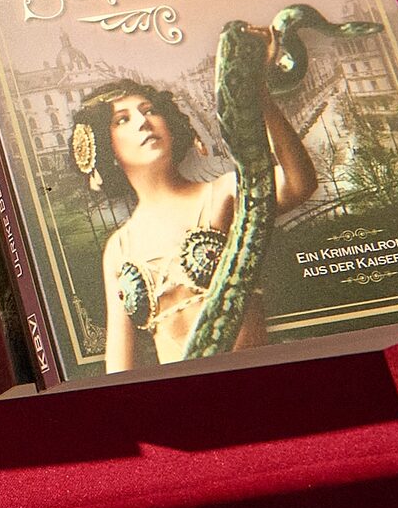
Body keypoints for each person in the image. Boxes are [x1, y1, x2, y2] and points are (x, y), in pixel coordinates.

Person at [69, 49, 316, 371]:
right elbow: (119, 365)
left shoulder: (222, 193)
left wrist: (260, 96)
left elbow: (299, 184)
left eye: (150, 110)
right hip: (183, 394)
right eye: (123, 120)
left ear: (171, 125)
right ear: (105, 147)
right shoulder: (119, 248)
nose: (143, 122)